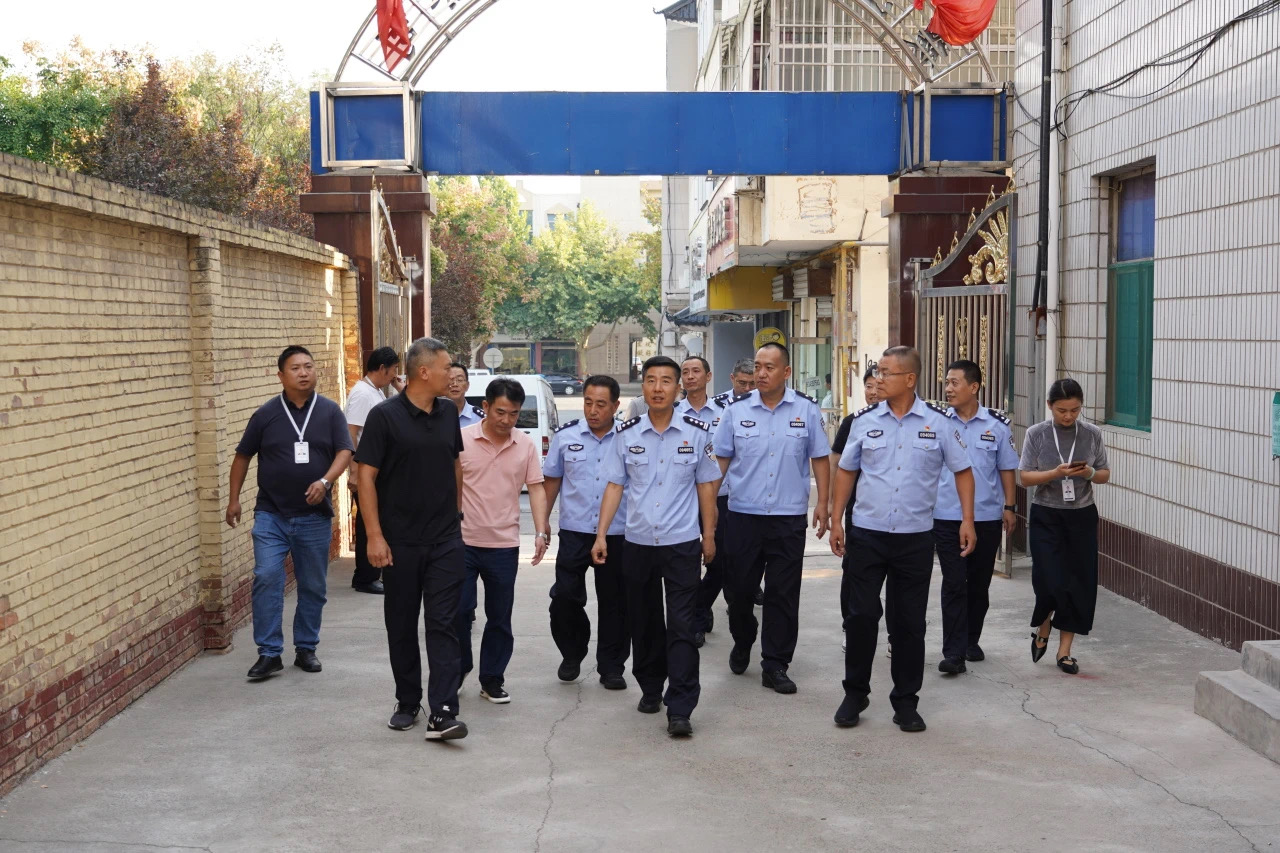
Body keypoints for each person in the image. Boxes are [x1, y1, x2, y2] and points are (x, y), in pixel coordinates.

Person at [829, 346, 976, 732]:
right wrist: (836, 518)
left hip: (914, 537)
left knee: (909, 623)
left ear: (910, 379)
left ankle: (906, 701)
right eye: (877, 372)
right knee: (861, 616)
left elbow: (963, 471)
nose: (877, 379)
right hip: (867, 534)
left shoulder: (938, 423)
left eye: (886, 373)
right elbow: (846, 470)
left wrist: (967, 520)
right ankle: (855, 693)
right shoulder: (863, 421)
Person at [594, 355, 721, 737]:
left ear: (678, 388)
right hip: (637, 542)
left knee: (681, 625)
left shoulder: (696, 432)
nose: (658, 388)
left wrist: (709, 535)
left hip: (681, 543)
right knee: (644, 621)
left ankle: (680, 706)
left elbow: (706, 487)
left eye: (666, 381)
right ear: (643, 387)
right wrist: (601, 535)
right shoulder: (626, 433)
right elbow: (614, 485)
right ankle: (651, 688)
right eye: (651, 380)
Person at [355, 336, 469, 740]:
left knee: (444, 623)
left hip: (444, 541)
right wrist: (374, 536)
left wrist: (456, 516)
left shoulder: (448, 412)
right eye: (446, 367)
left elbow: (455, 464)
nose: (452, 374)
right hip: (399, 543)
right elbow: (365, 477)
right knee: (402, 624)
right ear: (424, 372)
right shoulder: (384, 417)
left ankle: (443, 711)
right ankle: (407, 701)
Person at [226, 346, 353, 681]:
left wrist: (325, 481)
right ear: (281, 376)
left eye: (308, 366)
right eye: (295, 368)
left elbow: (345, 450)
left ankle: (306, 648)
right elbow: (242, 456)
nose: (303, 372)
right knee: (267, 576)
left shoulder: (329, 412)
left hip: (314, 517)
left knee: (312, 585)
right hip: (272, 514)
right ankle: (269, 653)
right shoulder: (266, 414)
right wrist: (234, 499)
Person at [713, 343, 831, 693]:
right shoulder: (736, 411)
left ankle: (775, 664)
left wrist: (823, 503)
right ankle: (743, 638)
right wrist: (706, 507)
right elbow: (720, 460)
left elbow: (820, 458)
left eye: (769, 367)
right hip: (743, 516)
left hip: (787, 518)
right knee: (739, 592)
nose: (761, 374)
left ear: (786, 372)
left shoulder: (806, 410)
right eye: (758, 367)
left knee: (783, 594)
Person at [454, 378, 551, 704]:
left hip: (504, 546)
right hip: (463, 542)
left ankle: (492, 679)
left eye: (513, 414)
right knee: (458, 612)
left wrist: (541, 531)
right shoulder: (462, 439)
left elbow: (536, 488)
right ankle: (458, 668)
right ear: (485, 407)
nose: (506, 420)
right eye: (500, 412)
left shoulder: (525, 445)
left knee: (499, 617)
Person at [1017, 378, 1110, 675]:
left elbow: (1104, 474)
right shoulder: (1037, 434)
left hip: (1082, 515)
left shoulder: (1092, 434)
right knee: (1049, 579)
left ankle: (1065, 651)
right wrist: (1054, 473)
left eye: (1074, 410)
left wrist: (1089, 472)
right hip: (1046, 514)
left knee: (1077, 583)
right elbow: (1025, 477)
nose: (1068, 416)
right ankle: (1044, 623)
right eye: (1062, 410)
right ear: (1050, 406)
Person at [543, 375, 631, 689]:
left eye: (601, 404)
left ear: (616, 406)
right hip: (575, 532)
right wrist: (543, 522)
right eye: (588, 403)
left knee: (615, 603)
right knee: (564, 598)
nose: (593, 410)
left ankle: (611, 667)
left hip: (618, 533)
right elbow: (552, 480)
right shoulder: (566, 436)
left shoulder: (629, 437)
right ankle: (572, 652)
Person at [932, 360, 1019, 674]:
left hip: (985, 516)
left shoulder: (997, 425)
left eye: (954, 382)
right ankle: (953, 652)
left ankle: (971, 640)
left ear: (974, 387)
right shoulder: (938, 423)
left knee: (979, 584)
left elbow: (1006, 468)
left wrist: (1009, 507)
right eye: (947, 382)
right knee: (954, 582)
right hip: (946, 515)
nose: (948, 388)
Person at [694, 358, 759, 645]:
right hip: (718, 497)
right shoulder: (716, 408)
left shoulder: (766, 408)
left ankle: (734, 607)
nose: (747, 389)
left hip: (749, 498)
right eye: (742, 383)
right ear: (732, 378)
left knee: (740, 563)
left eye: (752, 384)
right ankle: (699, 612)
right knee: (718, 561)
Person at [830, 365, 881, 651]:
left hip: (899, 515)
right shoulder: (854, 422)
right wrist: (832, 507)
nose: (872, 392)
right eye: (868, 386)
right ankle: (851, 626)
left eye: (878, 386)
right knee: (853, 570)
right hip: (857, 510)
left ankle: (895, 634)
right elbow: (836, 462)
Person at [345, 346, 402, 595]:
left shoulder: (375, 391)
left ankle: (370, 574)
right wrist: (354, 471)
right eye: (394, 370)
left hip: (376, 470)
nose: (395, 375)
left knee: (374, 518)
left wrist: (400, 388)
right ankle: (365, 577)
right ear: (382, 368)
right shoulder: (362, 393)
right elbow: (350, 433)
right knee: (368, 521)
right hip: (365, 470)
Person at [676, 356, 716, 423]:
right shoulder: (672, 412)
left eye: (696, 371)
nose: (690, 376)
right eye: (685, 372)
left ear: (708, 376)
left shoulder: (722, 411)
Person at [447, 362, 486, 428]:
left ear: (467, 385)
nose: (455, 384)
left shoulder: (480, 418)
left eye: (459, 380)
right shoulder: (434, 415)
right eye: (451, 380)